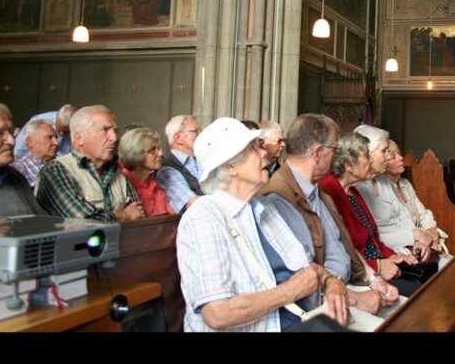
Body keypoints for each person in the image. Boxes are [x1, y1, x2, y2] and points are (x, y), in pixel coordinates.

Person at [176, 117, 347, 332]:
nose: (264, 153)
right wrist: (291, 291)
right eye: (254, 148)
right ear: (230, 166)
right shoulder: (203, 218)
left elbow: (306, 269)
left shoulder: (264, 208)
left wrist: (332, 282)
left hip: (304, 321)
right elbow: (218, 313)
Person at [259, 113, 398, 317]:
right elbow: (301, 278)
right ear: (318, 153)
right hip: (323, 305)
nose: (337, 156)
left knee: (404, 308)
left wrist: (373, 279)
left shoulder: (317, 190)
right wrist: (355, 299)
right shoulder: (279, 197)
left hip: (348, 286)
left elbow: (341, 243)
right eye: (335, 149)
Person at [319, 132, 420, 297]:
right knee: (418, 293)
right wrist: (378, 266)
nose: (371, 161)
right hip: (359, 275)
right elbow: (341, 248)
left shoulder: (353, 191)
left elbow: (373, 239)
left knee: (426, 281)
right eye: (367, 156)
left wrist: (394, 256)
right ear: (349, 165)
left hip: (377, 264)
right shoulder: (329, 190)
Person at [35, 105, 146, 222]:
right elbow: (83, 220)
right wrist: (125, 215)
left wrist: (127, 215)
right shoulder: (55, 170)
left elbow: (139, 216)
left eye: (115, 131)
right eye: (105, 130)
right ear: (79, 138)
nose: (114, 138)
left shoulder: (118, 175)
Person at [358, 137, 452, 268]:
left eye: (399, 154)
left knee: (451, 264)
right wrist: (419, 238)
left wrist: (430, 231)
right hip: (404, 247)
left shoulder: (405, 184)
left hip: (419, 242)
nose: (401, 158)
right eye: (393, 156)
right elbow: (383, 232)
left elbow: (422, 213)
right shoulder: (379, 186)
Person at [0, 100, 45, 217]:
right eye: (0, 134)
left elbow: (38, 219)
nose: (12, 141)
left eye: (11, 132)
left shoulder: (14, 175)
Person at [117, 127, 174, 216]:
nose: (161, 154)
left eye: (159, 148)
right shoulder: (121, 185)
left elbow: (171, 217)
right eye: (152, 150)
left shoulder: (154, 185)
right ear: (135, 153)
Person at [156, 114, 204, 213]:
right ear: (178, 138)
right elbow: (193, 204)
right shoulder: (166, 170)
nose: (201, 134)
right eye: (195, 131)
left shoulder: (203, 160)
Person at [11, 120, 59, 187]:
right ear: (30, 142)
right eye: (49, 137)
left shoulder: (62, 163)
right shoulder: (19, 169)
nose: (56, 143)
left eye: (56, 137)